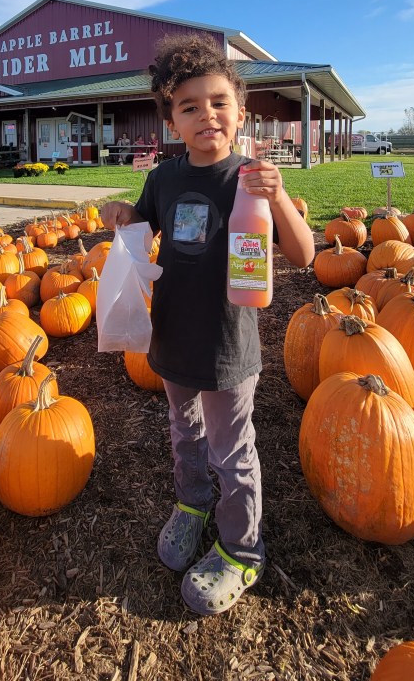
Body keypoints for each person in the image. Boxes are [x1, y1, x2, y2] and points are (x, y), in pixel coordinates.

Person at [101, 33, 314, 616]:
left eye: (218, 101)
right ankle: (192, 505)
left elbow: (306, 256)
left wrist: (284, 196)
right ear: (172, 120)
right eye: (189, 106)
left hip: (227, 344)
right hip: (173, 335)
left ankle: (243, 549)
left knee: (232, 451)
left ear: (240, 112)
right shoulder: (164, 180)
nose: (206, 115)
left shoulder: (253, 177)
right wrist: (119, 214)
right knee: (184, 432)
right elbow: (139, 226)